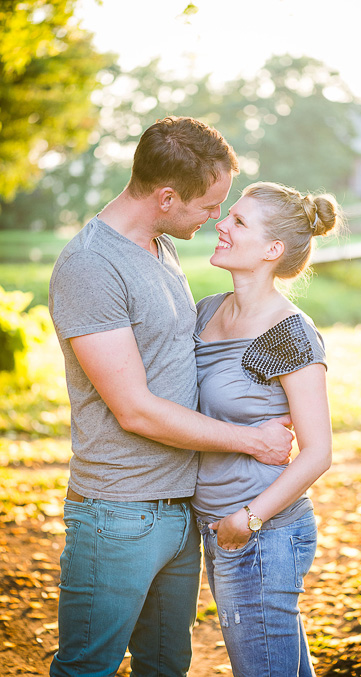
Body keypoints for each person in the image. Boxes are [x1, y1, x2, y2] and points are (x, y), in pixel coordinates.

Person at [48, 117, 295, 677]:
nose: (216, 219)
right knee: (87, 667)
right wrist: (250, 439)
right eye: (210, 206)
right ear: (165, 197)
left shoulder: (161, 247)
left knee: (165, 666)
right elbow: (133, 408)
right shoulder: (91, 265)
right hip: (118, 512)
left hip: (180, 512)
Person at [192, 181, 338, 676]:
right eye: (227, 216)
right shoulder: (208, 312)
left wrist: (247, 519)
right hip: (220, 527)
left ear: (273, 250)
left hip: (263, 535)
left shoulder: (288, 332)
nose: (221, 225)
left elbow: (318, 452)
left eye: (238, 222)